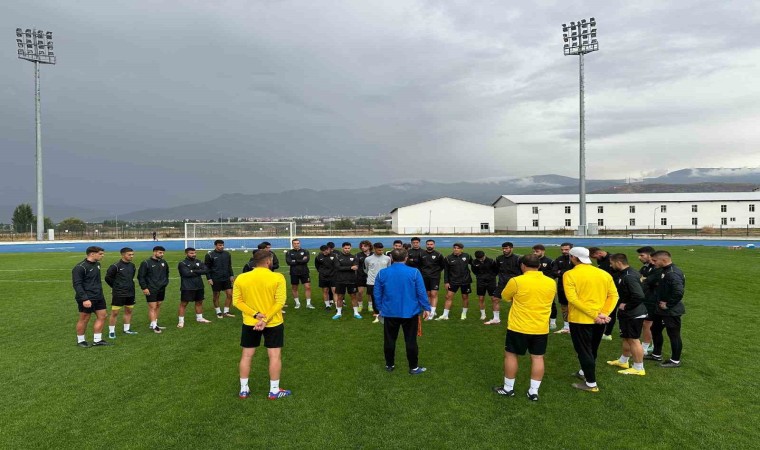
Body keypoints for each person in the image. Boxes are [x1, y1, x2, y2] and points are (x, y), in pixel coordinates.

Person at [493, 254, 556, 401]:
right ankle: (533, 391)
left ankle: (508, 388)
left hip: (518, 326)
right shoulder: (551, 282)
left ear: (522, 266)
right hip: (540, 327)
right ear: (539, 266)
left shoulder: (516, 280)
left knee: (511, 355)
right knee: (538, 357)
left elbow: (505, 297)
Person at [232, 249, 291, 400]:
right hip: (273, 322)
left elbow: (237, 301)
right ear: (268, 261)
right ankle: (274, 390)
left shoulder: (241, 278)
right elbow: (280, 302)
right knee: (274, 355)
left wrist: (255, 314)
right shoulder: (277, 277)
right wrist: (265, 319)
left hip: (250, 322)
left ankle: (243, 390)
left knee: (247, 355)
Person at [563, 247, 618, 393]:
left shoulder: (570, 274)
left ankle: (591, 383)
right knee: (592, 348)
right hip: (599, 320)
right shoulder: (603, 273)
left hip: (580, 320)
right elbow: (614, 296)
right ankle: (584, 372)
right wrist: (603, 313)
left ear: (574, 258)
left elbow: (573, 299)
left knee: (584, 351)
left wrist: (595, 315)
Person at [374, 248, 431, 374]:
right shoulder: (414, 272)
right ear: (406, 258)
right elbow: (421, 292)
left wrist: (379, 308)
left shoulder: (382, 273)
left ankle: (389, 365)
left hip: (390, 312)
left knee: (389, 340)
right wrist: (426, 307)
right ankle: (413, 367)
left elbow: (377, 293)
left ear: (391, 258)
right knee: (410, 340)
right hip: (410, 312)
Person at [606, 253, 648, 376]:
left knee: (634, 340)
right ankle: (623, 361)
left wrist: (627, 306)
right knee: (626, 337)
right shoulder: (627, 273)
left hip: (633, 313)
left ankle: (639, 368)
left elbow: (639, 295)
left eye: (612, 263)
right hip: (628, 313)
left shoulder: (629, 276)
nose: (610, 265)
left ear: (619, 263)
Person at [646, 250, 686, 368]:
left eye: (655, 260)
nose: (653, 263)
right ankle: (656, 354)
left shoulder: (672, 273)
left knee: (673, 334)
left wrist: (668, 304)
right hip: (660, 309)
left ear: (664, 260)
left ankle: (675, 360)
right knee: (655, 329)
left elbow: (678, 292)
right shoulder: (665, 270)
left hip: (670, 310)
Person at [72, 246, 111, 347]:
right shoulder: (80, 267)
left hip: (98, 296)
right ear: (92, 254)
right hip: (87, 298)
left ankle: (97, 340)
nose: (103, 256)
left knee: (103, 316)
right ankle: (81, 341)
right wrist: (85, 299)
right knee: (84, 318)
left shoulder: (97, 264)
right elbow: (77, 284)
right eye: (100, 254)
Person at [104, 247, 138, 339]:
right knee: (115, 313)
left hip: (130, 292)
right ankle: (111, 331)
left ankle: (127, 329)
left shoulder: (132, 265)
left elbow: (131, 277)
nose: (132, 256)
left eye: (132, 254)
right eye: (129, 254)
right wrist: (115, 287)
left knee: (129, 311)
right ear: (123, 255)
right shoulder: (115, 266)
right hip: (119, 293)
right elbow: (107, 278)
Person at [138, 245, 170, 334]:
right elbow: (141, 276)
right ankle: (154, 326)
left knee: (158, 305)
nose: (162, 254)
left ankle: (154, 323)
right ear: (154, 252)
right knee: (153, 307)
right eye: (160, 252)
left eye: (163, 253)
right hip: (151, 288)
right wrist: (144, 288)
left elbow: (167, 273)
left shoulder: (164, 262)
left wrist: (165, 282)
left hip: (161, 288)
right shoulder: (146, 263)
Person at [437, 243, 473, 321]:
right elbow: (446, 271)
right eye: (454, 248)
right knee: (448, 296)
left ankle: (464, 314)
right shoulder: (448, 258)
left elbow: (473, 264)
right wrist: (446, 282)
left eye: (458, 248)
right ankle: (445, 315)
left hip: (465, 281)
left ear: (461, 249)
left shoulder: (467, 256)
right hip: (453, 281)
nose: (456, 249)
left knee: (465, 297)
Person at [178, 247, 211, 328]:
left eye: (195, 253)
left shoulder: (199, 261)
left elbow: (206, 270)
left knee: (199, 302)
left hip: (199, 286)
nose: (194, 254)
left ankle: (200, 318)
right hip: (187, 287)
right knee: (184, 304)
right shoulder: (182, 263)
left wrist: (193, 271)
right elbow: (186, 273)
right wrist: (199, 271)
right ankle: (181, 321)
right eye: (191, 253)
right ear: (186, 254)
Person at [637, 246, 660, 355]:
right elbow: (640, 279)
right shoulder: (645, 267)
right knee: (649, 324)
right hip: (646, 298)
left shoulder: (657, 268)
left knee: (647, 323)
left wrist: (643, 281)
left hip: (653, 300)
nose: (639, 257)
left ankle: (644, 348)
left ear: (650, 255)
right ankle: (653, 345)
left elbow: (647, 282)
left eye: (642, 255)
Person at [204, 240, 236, 319]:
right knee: (216, 295)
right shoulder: (209, 255)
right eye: (220, 245)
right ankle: (218, 312)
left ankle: (226, 311)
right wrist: (209, 278)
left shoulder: (227, 254)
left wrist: (231, 275)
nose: (222, 247)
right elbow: (207, 268)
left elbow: (229, 265)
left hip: (226, 277)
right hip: (216, 278)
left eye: (222, 245)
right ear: (215, 246)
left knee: (230, 294)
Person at [493, 242, 522, 325]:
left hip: (514, 284)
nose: (504, 250)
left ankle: (516, 318)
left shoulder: (518, 259)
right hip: (502, 283)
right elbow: (496, 269)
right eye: (503, 248)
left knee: (515, 301)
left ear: (511, 248)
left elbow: (522, 271)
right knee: (495, 299)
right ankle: (496, 319)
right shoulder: (499, 258)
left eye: (506, 248)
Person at [364, 242, 392, 323]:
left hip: (384, 282)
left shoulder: (387, 258)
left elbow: (389, 269)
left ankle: (385, 314)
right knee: (374, 299)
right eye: (379, 250)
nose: (381, 251)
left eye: (382, 250)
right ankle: (377, 315)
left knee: (385, 298)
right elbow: (366, 270)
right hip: (372, 282)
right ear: (374, 249)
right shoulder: (368, 259)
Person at [334, 242, 361, 320]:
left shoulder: (354, 257)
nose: (347, 249)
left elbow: (355, 267)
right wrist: (350, 267)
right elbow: (338, 267)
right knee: (340, 297)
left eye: (348, 248)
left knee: (353, 296)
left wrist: (345, 267)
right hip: (340, 280)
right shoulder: (337, 257)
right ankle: (338, 313)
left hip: (351, 280)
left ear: (350, 248)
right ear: (342, 248)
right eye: (345, 248)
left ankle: (356, 313)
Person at [532, 244, 557, 329]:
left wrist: (548, 280)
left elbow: (554, 273)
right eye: (534, 251)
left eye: (537, 251)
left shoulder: (550, 261)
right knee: (536, 303)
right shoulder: (532, 261)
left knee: (551, 303)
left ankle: (553, 322)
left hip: (547, 286)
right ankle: (538, 320)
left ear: (543, 251)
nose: (535, 253)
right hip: (535, 285)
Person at [419, 239, 445, 320]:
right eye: (428, 244)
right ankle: (429, 309)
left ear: (434, 245)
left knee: (434, 294)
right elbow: (420, 265)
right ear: (426, 245)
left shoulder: (438, 254)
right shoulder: (421, 254)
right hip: (424, 277)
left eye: (431, 244)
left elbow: (442, 265)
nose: (429, 246)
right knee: (428, 294)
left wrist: (436, 272)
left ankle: (432, 312)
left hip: (435, 277)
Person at [552, 242, 574, 334]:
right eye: (562, 250)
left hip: (575, 287)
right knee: (564, 306)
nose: (564, 251)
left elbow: (576, 272)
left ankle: (575, 326)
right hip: (562, 287)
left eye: (566, 249)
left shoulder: (576, 259)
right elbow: (554, 272)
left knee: (575, 306)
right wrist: (566, 272)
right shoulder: (559, 259)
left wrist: (561, 272)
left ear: (571, 249)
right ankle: (566, 327)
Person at [471, 250, 498, 324]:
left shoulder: (491, 261)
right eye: (479, 259)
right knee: (481, 298)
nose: (480, 260)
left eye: (482, 258)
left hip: (491, 282)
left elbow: (496, 270)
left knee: (493, 298)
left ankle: (495, 316)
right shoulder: (474, 262)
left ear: (484, 255)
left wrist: (491, 276)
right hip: (480, 282)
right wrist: (480, 276)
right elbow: (474, 271)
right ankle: (483, 314)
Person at [285, 239, 311, 309]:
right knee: (294, 288)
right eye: (295, 243)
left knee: (308, 287)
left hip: (304, 272)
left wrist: (295, 261)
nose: (296, 244)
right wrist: (301, 260)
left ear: (300, 243)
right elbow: (289, 262)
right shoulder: (289, 252)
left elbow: (306, 260)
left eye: (297, 243)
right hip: (294, 272)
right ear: (292, 244)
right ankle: (297, 303)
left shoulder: (305, 251)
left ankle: (308, 304)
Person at [315, 245, 337, 310]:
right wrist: (322, 272)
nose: (326, 251)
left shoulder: (334, 256)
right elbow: (317, 266)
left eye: (327, 250)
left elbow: (337, 265)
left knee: (334, 291)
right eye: (324, 251)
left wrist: (333, 273)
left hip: (333, 276)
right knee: (325, 291)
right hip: (323, 277)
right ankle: (327, 306)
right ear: (322, 251)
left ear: (329, 249)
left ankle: (337, 307)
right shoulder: (318, 257)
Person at [355, 240, 373, 312]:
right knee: (360, 292)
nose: (363, 247)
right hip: (360, 276)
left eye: (365, 246)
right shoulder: (358, 255)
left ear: (369, 247)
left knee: (370, 293)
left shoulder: (373, 255)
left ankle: (370, 305)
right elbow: (356, 265)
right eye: (361, 246)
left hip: (371, 276)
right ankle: (360, 305)